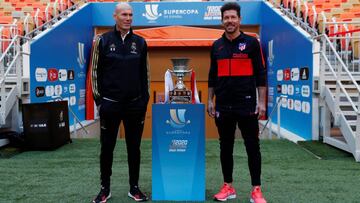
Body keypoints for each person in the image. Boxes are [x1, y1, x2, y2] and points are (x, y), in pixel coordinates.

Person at [207, 2, 267, 203]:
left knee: (252, 147)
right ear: (222, 20)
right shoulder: (216, 46)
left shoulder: (251, 43)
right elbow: (212, 76)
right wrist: (210, 100)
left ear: (239, 19)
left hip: (247, 104)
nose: (229, 21)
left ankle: (256, 190)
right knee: (225, 147)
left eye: (233, 17)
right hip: (223, 106)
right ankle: (228, 187)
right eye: (226, 18)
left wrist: (262, 102)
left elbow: (261, 73)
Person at [91, 3, 150, 203]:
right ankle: (104, 189)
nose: (128, 18)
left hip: (135, 105)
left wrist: (144, 101)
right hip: (110, 104)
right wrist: (100, 101)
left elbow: (145, 75)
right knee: (107, 148)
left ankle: (134, 188)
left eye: (131, 14)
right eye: (124, 14)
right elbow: (94, 73)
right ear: (115, 16)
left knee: (134, 148)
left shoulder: (141, 42)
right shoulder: (102, 41)